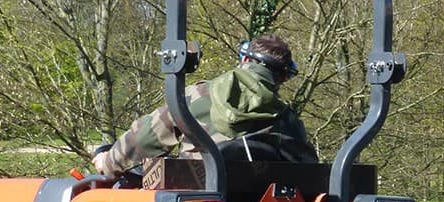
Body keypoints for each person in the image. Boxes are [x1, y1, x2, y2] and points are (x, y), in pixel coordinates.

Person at [93, 34, 317, 178]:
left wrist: (109, 160)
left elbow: (143, 138)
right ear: (282, 78)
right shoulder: (288, 121)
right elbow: (306, 170)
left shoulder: (199, 96)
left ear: (245, 60)